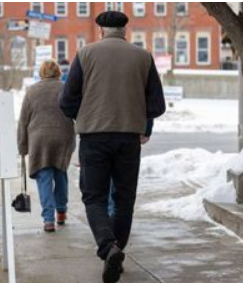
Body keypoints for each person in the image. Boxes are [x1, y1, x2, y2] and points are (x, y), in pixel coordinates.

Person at [60, 11, 165, 283]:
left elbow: (67, 100)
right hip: (129, 138)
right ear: (125, 30)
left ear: (101, 31)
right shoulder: (143, 57)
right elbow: (157, 105)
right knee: (124, 199)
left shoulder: (85, 54)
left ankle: (108, 247)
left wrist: (83, 115)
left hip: (94, 137)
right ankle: (117, 250)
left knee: (94, 197)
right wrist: (138, 118)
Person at [18, 60, 76, 233]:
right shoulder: (65, 87)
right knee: (60, 174)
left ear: (41, 72)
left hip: (39, 139)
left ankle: (48, 220)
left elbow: (23, 121)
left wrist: (22, 147)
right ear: (58, 72)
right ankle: (61, 211)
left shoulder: (31, 91)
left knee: (44, 178)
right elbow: (75, 111)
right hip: (62, 137)